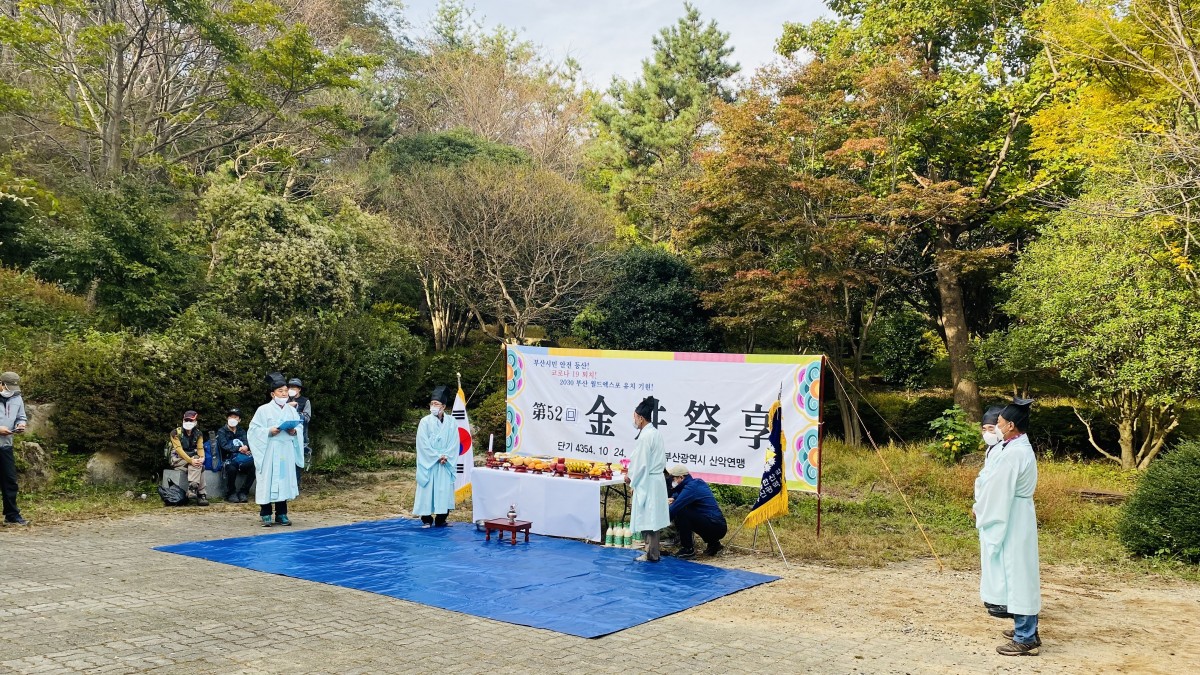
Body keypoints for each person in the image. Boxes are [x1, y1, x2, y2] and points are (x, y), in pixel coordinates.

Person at [973, 398, 1041, 656]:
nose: (996, 427)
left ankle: (1026, 637)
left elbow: (998, 489)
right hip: (1015, 512)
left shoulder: (1014, 453)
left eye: (999, 423)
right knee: (1017, 572)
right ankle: (1027, 629)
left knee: (1018, 574)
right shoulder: (1014, 447)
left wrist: (981, 509)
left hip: (1012, 515)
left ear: (1011, 425)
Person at [248, 372, 305, 527]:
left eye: (286, 391)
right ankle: (265, 513)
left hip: (285, 448)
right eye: (280, 391)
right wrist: (268, 431)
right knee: (267, 479)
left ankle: (281, 513)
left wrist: (294, 431)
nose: (284, 394)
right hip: (269, 448)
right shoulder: (263, 410)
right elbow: (253, 430)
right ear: (273, 394)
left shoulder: (291, 410)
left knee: (283, 480)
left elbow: (299, 426)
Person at [975, 404, 1012, 620]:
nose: (988, 433)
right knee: (988, 554)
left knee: (999, 554)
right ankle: (992, 595)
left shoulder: (1006, 450)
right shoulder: (991, 450)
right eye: (984, 429)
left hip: (996, 507)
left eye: (992, 428)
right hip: (985, 506)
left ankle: (1003, 598)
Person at [628, 396, 669, 562]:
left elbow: (641, 464)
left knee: (649, 518)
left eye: (635, 417)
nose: (634, 421)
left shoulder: (646, 436)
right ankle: (652, 552)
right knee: (652, 517)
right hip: (655, 479)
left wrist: (631, 478)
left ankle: (651, 553)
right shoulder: (655, 433)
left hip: (649, 480)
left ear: (641, 418)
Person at [413, 386, 456, 527]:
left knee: (443, 490)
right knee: (427, 490)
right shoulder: (425, 421)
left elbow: (454, 442)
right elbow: (422, 443)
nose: (433, 406)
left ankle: (441, 519)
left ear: (443, 406)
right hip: (430, 461)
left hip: (445, 461)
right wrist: (436, 457)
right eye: (432, 404)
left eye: (436, 404)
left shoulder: (452, 422)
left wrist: (446, 456)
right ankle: (426, 519)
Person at [666, 464, 727, 559]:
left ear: (681, 477)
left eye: (673, 479)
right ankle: (714, 545)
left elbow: (674, 509)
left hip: (716, 526)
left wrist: (657, 524)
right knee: (690, 512)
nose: (672, 481)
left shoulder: (691, 487)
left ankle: (688, 550)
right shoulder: (695, 483)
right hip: (717, 525)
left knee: (681, 511)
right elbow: (678, 495)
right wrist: (673, 498)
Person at [1, 371, 29, 526]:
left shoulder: (17, 398)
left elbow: (21, 416)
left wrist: (21, 424)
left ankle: (11, 516)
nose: (10, 390)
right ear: (1, 384)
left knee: (10, 481)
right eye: (8, 387)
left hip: (6, 446)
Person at [168, 410, 209, 506]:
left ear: (195, 422)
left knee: (199, 464)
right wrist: (191, 460)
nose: (188, 422)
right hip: (177, 460)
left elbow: (200, 448)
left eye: (191, 420)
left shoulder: (198, 433)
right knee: (199, 466)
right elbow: (178, 450)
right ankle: (201, 494)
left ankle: (193, 489)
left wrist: (202, 458)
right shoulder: (175, 433)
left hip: (191, 460)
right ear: (183, 420)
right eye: (186, 420)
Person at [217, 408, 253, 503]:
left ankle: (244, 492)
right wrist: (239, 449)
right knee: (231, 469)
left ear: (239, 420)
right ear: (227, 418)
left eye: (235, 417)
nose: (232, 419)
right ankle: (231, 493)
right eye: (230, 417)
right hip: (228, 459)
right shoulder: (222, 431)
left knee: (254, 465)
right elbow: (224, 446)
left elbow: (246, 442)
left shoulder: (241, 431)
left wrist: (246, 447)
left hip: (242, 458)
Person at [287, 378, 312, 485]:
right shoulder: (284, 400)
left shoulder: (305, 401)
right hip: (285, 435)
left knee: (296, 462)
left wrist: (295, 409)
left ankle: (296, 486)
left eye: (294, 387)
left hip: (299, 437)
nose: (291, 389)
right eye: (290, 387)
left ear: (299, 389)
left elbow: (306, 418)